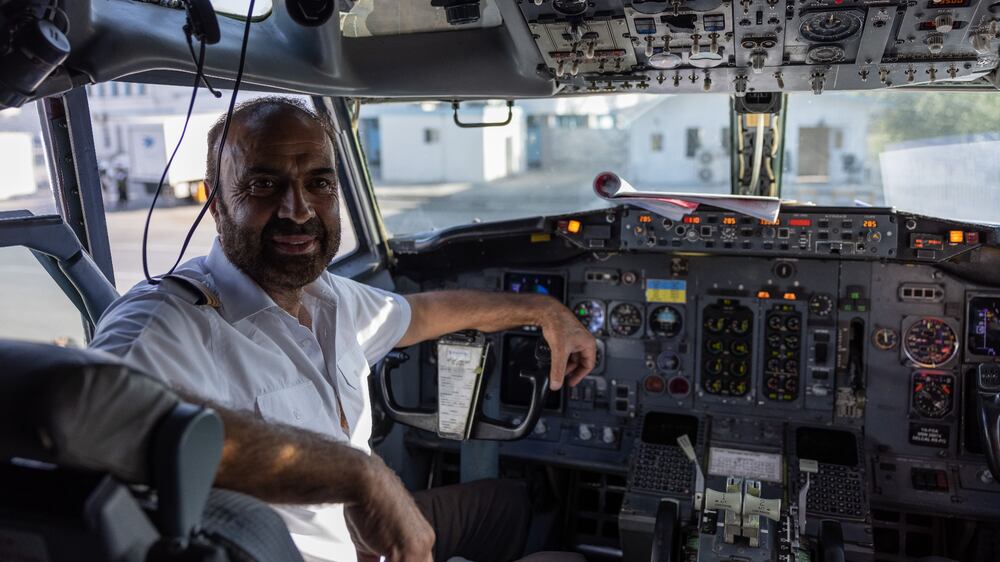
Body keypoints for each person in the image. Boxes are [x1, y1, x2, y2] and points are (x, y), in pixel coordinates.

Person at [90, 97, 596, 562]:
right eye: (264, 185)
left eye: (319, 183)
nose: (300, 210)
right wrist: (361, 476)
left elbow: (417, 314)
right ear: (216, 202)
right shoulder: (164, 321)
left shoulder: (325, 294)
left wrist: (541, 309)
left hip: (353, 537)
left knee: (510, 503)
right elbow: (99, 417)